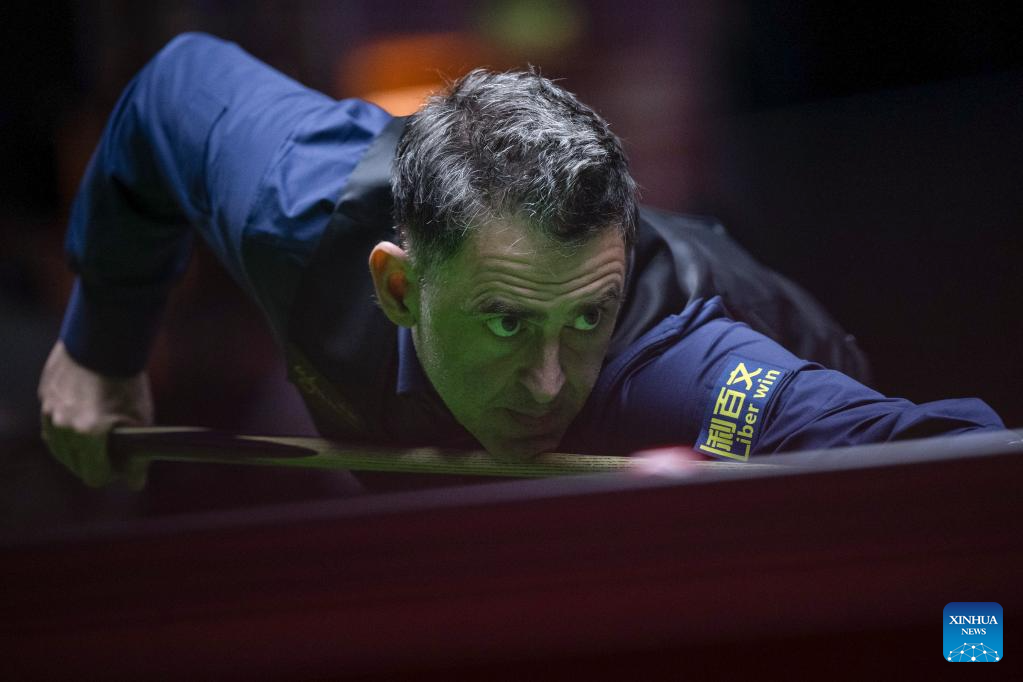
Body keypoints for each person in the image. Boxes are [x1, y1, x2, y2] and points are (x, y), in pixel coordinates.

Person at [38, 33, 1003, 488]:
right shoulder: (300, 210)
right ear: (398, 285)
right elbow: (171, 92)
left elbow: (965, 474)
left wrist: (973, 646)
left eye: (584, 317)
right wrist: (100, 349)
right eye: (505, 320)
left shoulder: (682, 372)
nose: (548, 384)